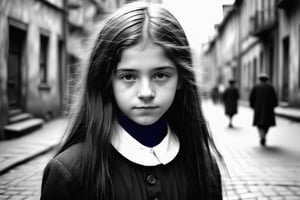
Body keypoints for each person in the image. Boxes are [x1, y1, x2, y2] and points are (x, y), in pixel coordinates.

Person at [40, 2, 223, 200]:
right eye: (128, 76)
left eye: (160, 75)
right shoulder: (69, 172)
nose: (146, 92)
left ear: (180, 79)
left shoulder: (204, 167)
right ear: (107, 81)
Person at [249, 73, 278, 146]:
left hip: (258, 108)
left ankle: (262, 136)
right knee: (267, 123)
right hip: (268, 108)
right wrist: (274, 105)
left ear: (260, 79)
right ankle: (264, 135)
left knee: (259, 123)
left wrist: (252, 105)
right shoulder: (270, 86)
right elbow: (274, 97)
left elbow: (251, 97)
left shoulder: (256, 86)